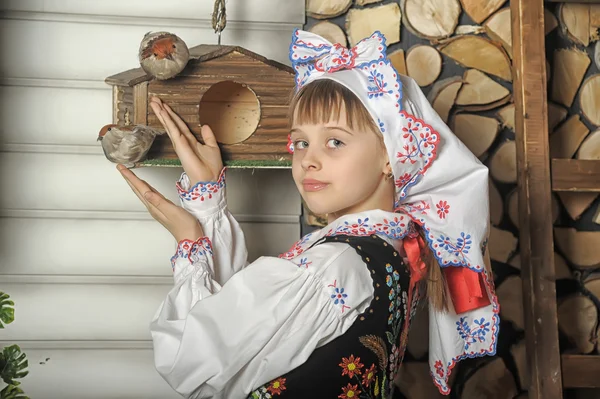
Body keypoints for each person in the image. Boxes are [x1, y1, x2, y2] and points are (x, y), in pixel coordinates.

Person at [118, 29, 499, 399]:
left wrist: (190, 242)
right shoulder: (394, 250)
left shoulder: (331, 266)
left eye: (335, 141)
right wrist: (208, 202)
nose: (308, 161)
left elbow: (190, 364)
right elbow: (253, 335)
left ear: (391, 153)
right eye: (300, 142)